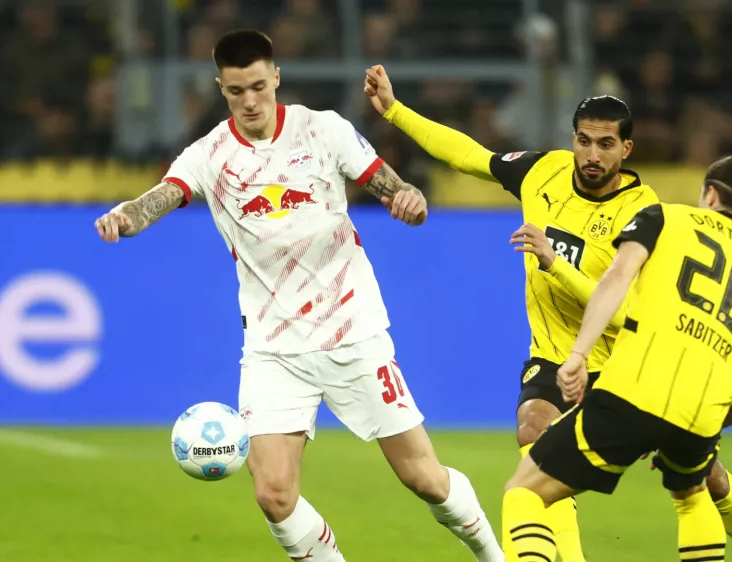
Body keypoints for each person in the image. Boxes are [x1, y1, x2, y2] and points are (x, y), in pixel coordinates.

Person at [94, 30, 504, 562]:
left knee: (424, 478)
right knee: (273, 494)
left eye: (258, 87)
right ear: (221, 88)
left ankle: (494, 556)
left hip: (352, 331)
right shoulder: (209, 154)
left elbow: (392, 186)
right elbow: (160, 197)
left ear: (277, 78)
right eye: (236, 90)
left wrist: (409, 200)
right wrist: (125, 217)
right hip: (273, 348)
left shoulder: (323, 130)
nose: (249, 101)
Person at [365, 66, 732, 561]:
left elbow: (623, 308)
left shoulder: (645, 211)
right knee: (534, 428)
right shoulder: (542, 172)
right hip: (555, 353)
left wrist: (555, 263)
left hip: (623, 363)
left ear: (626, 150)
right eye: (584, 141)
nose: (592, 155)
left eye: (606, 144)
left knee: (707, 477)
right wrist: (395, 111)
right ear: (573, 139)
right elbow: (468, 155)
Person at [499, 154, 732, 562]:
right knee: (692, 494)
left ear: (709, 194)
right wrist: (692, 421)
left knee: (525, 492)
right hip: (703, 408)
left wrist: (578, 353)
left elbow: (616, 278)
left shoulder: (664, 217)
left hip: (636, 389)